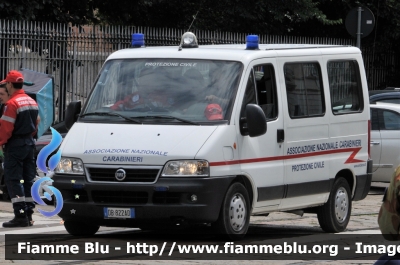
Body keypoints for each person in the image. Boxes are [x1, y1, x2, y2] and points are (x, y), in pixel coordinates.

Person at [0, 70, 39, 228]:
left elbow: (5, 129)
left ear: (10, 84)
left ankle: (20, 216)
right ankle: (28, 214)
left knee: (14, 179)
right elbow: (36, 124)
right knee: (28, 179)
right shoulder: (31, 101)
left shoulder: (12, 104)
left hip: (15, 145)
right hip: (29, 143)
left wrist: (2, 142)